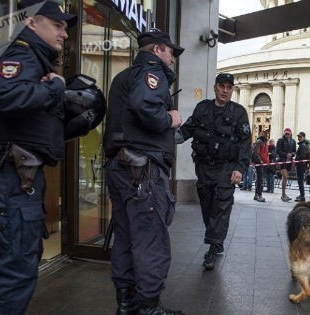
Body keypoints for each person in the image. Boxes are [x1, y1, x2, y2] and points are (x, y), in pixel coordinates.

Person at [0, 1, 77, 314]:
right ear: (32, 23)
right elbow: (3, 95)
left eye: (65, 27)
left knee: (18, 266)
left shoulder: (35, 59)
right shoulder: (22, 54)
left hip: (19, 179)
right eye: (58, 25)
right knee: (15, 271)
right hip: (13, 180)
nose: (64, 34)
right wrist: (54, 88)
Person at [103, 29, 185, 315]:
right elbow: (146, 108)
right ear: (158, 50)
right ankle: (148, 307)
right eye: (171, 52)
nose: (173, 58)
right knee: (150, 239)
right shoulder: (153, 72)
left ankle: (127, 304)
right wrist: (169, 119)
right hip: (143, 171)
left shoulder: (123, 77)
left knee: (125, 237)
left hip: (122, 167)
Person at [179, 73, 251, 271]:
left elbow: (245, 143)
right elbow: (188, 129)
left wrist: (240, 168)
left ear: (232, 90)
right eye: (222, 86)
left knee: (221, 205)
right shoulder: (202, 108)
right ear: (215, 87)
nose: (225, 90)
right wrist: (167, 137)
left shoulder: (238, 112)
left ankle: (212, 248)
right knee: (207, 205)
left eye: (229, 87)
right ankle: (216, 239)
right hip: (204, 166)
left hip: (226, 168)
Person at [276, 127, 296, 202]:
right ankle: (283, 194)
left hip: (289, 162)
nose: (287, 135)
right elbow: (278, 150)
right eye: (286, 133)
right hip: (282, 160)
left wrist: (292, 154)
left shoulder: (293, 141)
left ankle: (284, 194)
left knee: (285, 178)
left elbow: (294, 151)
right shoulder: (280, 140)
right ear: (284, 133)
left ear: (290, 133)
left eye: (288, 133)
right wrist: (285, 155)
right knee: (285, 176)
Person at [252, 128, 270, 202]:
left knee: (259, 179)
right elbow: (255, 151)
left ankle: (256, 194)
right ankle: (259, 195)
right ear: (262, 133)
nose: (266, 134)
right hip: (260, 163)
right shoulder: (260, 141)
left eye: (267, 132)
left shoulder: (265, 142)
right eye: (265, 132)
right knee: (260, 180)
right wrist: (260, 160)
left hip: (264, 163)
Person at [294, 131, 310, 202]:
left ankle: (302, 196)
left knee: (300, 181)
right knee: (300, 181)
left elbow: (302, 156)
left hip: (301, 166)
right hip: (302, 165)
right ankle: (301, 195)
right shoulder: (304, 144)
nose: (299, 138)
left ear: (304, 137)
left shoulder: (303, 145)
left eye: (300, 137)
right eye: (298, 137)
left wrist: (296, 159)